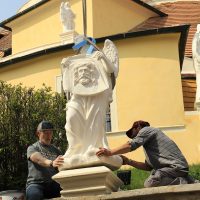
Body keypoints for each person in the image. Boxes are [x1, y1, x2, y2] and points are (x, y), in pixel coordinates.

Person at [96, 120, 198, 187]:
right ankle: (188, 180)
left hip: (176, 167)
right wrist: (128, 161)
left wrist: (110, 152)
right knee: (151, 181)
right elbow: (148, 167)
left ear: (138, 127)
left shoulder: (146, 130)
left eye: (133, 132)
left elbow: (131, 145)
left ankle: (185, 182)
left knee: (150, 183)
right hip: (173, 169)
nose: (133, 137)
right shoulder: (150, 146)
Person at [26, 120, 64, 200]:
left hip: (53, 183)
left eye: (50, 133)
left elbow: (63, 165)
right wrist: (51, 163)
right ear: (38, 133)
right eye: (45, 133)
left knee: (68, 190)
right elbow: (38, 159)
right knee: (34, 195)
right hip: (36, 184)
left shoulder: (56, 150)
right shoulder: (32, 148)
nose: (48, 135)